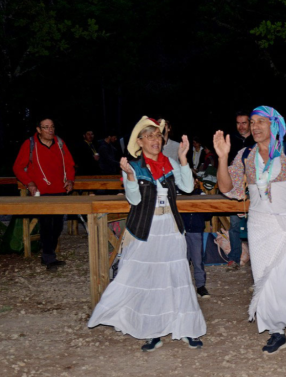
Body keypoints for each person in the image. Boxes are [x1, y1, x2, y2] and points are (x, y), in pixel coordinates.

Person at [88, 116, 206, 351]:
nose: (155, 140)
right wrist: (130, 177)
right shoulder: (134, 167)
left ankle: (186, 327)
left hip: (171, 229)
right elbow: (133, 199)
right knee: (148, 278)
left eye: (158, 136)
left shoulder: (170, 163)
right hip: (145, 230)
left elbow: (187, 187)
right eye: (149, 136)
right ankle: (152, 330)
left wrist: (183, 159)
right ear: (140, 142)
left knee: (178, 277)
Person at [214, 105, 286, 358]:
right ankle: (276, 332)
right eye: (252, 122)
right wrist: (222, 157)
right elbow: (227, 187)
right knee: (265, 279)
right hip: (259, 225)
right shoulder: (244, 155)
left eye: (260, 122)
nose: (254, 127)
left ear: (275, 125)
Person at [12, 116, 75, 270]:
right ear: (38, 130)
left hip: (59, 190)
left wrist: (70, 180)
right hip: (41, 192)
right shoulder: (30, 144)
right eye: (46, 127)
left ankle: (47, 252)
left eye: (52, 126)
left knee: (58, 225)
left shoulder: (60, 144)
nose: (50, 130)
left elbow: (70, 164)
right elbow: (18, 167)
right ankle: (48, 258)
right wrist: (30, 184)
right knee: (46, 224)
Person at [226, 111, 254, 270]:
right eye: (238, 123)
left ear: (250, 123)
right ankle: (234, 257)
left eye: (244, 123)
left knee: (255, 222)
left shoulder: (256, 140)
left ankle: (255, 258)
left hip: (255, 187)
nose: (241, 126)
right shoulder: (231, 140)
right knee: (235, 223)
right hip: (236, 187)